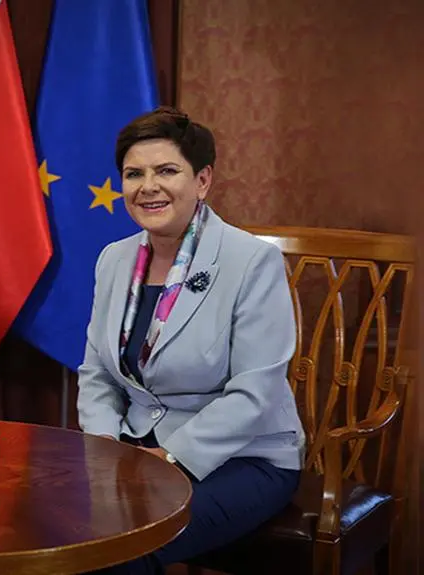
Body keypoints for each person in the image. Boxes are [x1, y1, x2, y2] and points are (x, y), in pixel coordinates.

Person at [76, 107, 304, 574]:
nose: (148, 186)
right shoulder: (113, 260)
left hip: (244, 457)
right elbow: (97, 373)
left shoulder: (251, 262)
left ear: (202, 181)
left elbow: (255, 393)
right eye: (134, 174)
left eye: (166, 171)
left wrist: (170, 457)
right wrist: (105, 448)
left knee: (123, 546)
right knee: (54, 524)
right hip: (133, 451)